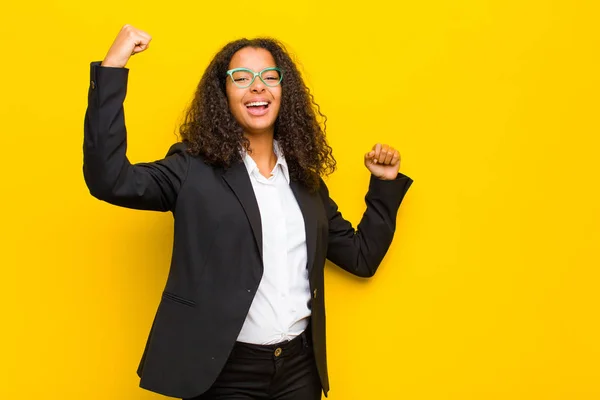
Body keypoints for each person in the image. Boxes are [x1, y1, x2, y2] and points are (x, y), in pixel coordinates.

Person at [83, 24, 413, 400]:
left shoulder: (306, 182)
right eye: (242, 77)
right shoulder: (192, 169)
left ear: (283, 92)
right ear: (223, 95)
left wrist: (384, 184)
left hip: (298, 370)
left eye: (269, 77)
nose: (257, 85)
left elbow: (361, 257)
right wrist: (113, 67)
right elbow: (109, 179)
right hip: (224, 373)